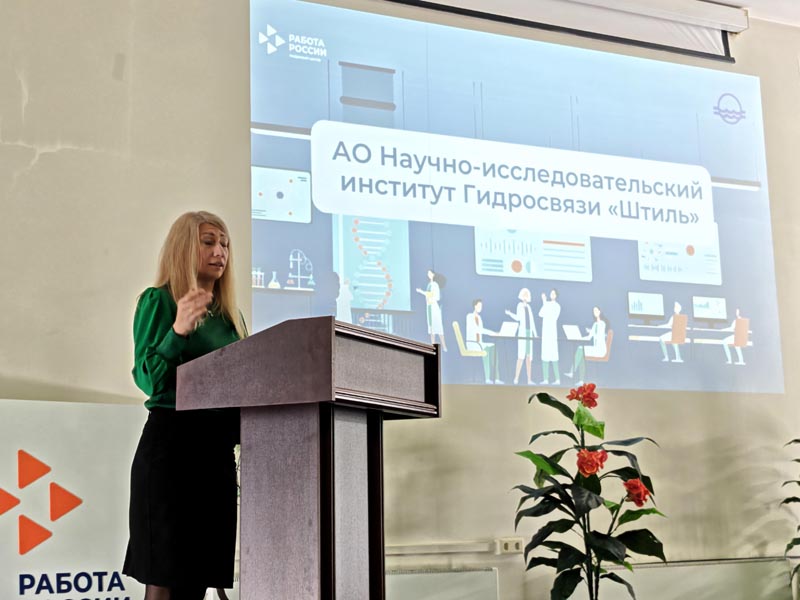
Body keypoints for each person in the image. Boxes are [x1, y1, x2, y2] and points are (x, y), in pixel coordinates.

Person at [123, 211, 247, 600]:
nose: (219, 252)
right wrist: (178, 331)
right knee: (164, 575)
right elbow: (148, 380)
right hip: (171, 449)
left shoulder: (230, 317)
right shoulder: (159, 300)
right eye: (208, 242)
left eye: (225, 244)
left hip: (216, 454)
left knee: (198, 579)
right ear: (184, 248)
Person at [564, 306, 609, 385]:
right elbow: (589, 337)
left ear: (600, 311)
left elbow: (599, 335)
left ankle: (572, 372)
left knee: (581, 349)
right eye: (593, 311)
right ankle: (580, 380)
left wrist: (591, 332)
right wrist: (580, 338)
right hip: (595, 348)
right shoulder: (595, 324)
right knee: (581, 352)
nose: (595, 312)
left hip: (600, 350)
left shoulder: (602, 323)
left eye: (596, 310)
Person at [465, 299, 502, 384]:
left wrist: (494, 333)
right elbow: (478, 329)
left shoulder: (479, 318)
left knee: (493, 346)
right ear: (475, 306)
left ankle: (496, 378)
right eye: (479, 306)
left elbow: (481, 330)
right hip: (472, 343)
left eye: (481, 306)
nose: (480, 308)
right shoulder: (469, 316)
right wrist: (493, 333)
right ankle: (487, 378)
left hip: (479, 343)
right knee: (486, 349)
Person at [505, 287, 536, 385]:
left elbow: (532, 321)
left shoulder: (529, 307)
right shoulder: (519, 305)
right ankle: (516, 378)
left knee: (528, 357)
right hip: (523, 333)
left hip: (529, 334)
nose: (525, 296)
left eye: (527, 294)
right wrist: (510, 314)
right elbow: (518, 318)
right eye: (524, 294)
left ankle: (529, 380)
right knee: (521, 357)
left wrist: (535, 334)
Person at [416, 269, 448, 351]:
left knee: (439, 328)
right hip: (429, 307)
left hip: (434, 307)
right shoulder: (429, 284)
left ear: (433, 274)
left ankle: (444, 346)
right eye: (428, 273)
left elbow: (434, 295)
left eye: (430, 273)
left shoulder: (435, 284)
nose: (428, 274)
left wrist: (421, 291)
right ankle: (433, 346)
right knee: (431, 329)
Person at [539, 289, 561, 385]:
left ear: (556, 295)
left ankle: (557, 379)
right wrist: (544, 302)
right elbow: (541, 314)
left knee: (554, 356)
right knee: (545, 356)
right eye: (551, 293)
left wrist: (545, 302)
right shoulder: (547, 304)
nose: (551, 294)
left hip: (552, 333)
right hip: (545, 333)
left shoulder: (557, 306)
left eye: (553, 293)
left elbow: (552, 316)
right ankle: (545, 379)